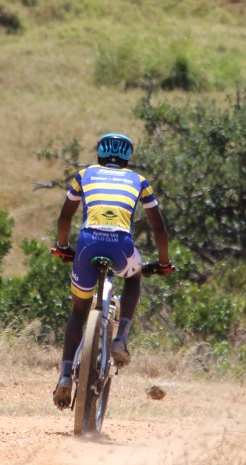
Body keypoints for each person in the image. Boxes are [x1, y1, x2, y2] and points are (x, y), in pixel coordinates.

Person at [50, 133, 173, 410]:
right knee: (133, 276)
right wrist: (164, 263)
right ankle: (120, 339)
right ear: (127, 157)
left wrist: (61, 246)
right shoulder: (139, 181)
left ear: (100, 155)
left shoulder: (85, 175)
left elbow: (65, 216)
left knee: (78, 312)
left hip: (87, 243)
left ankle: (65, 377)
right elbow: (159, 228)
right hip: (121, 244)